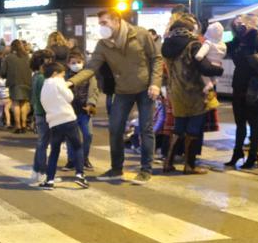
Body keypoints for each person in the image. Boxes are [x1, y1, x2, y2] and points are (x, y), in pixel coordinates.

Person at [68, 10, 163, 182]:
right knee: (115, 128)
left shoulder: (140, 34)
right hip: (122, 90)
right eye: (100, 24)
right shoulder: (103, 44)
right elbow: (91, 68)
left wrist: (155, 83)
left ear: (117, 21)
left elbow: (156, 58)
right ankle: (116, 168)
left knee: (146, 128)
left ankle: (146, 170)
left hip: (145, 88)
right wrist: (71, 82)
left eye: (104, 23)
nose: (101, 27)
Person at [161, 14, 211, 174]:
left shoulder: (166, 45)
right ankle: (190, 165)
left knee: (178, 127)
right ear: (189, 29)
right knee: (194, 128)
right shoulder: (193, 44)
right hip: (194, 91)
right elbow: (204, 67)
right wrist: (218, 69)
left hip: (175, 91)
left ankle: (167, 163)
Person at [226, 14, 258, 169]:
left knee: (254, 122)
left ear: (252, 24)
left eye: (242, 23)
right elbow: (227, 49)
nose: (239, 26)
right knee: (239, 122)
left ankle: (253, 154)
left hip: (253, 85)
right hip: (239, 83)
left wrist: (251, 53)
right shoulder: (238, 40)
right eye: (237, 23)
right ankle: (237, 151)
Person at [39, 62, 89, 190]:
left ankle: (49, 180)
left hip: (54, 122)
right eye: (62, 74)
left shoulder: (44, 86)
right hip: (67, 118)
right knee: (77, 146)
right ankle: (79, 175)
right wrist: (66, 87)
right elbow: (70, 97)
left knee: (54, 151)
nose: (64, 76)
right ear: (55, 73)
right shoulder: (58, 82)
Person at [63, 50, 98, 171]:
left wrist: (91, 104)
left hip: (85, 110)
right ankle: (71, 160)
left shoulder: (88, 75)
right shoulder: (64, 76)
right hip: (69, 111)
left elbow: (94, 91)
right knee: (70, 137)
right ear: (68, 64)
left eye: (79, 62)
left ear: (83, 62)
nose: (76, 64)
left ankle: (84, 159)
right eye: (73, 62)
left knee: (88, 135)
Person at [29, 49, 55, 184]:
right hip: (45, 113)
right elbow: (44, 97)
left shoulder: (36, 76)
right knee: (43, 144)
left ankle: (36, 170)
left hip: (39, 112)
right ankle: (42, 172)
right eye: (49, 59)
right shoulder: (42, 78)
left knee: (41, 143)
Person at [0, 39, 32, 134]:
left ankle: (18, 126)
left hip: (14, 83)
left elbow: (3, 72)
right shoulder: (27, 57)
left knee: (16, 103)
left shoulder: (9, 58)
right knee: (24, 103)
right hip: (27, 82)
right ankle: (24, 125)